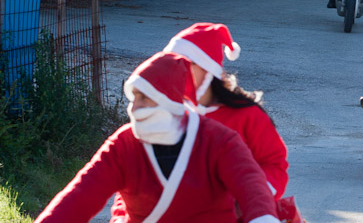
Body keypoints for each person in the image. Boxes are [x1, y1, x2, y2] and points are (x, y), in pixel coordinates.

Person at [35, 52, 280, 223]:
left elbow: (251, 185)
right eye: (133, 98)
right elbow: (80, 195)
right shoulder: (124, 144)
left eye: (144, 97)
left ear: (168, 100)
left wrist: (263, 218)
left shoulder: (218, 140)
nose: (134, 107)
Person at [108, 24, 292, 220]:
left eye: (184, 63)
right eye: (171, 62)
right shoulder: (163, 112)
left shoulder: (247, 115)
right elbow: (135, 172)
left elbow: (274, 165)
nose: (175, 70)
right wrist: (121, 217)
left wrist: (249, 200)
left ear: (207, 69)